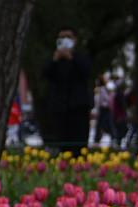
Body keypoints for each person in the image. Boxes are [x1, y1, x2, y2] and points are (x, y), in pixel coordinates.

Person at [43, 27, 92, 155]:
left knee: (79, 144)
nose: (65, 40)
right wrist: (55, 59)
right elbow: (46, 74)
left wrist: (71, 57)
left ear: (75, 39)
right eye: (61, 37)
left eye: (68, 37)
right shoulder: (54, 59)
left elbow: (86, 72)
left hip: (78, 108)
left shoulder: (81, 57)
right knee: (62, 143)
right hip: (59, 108)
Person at [94, 75, 115, 146]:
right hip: (104, 108)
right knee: (107, 123)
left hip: (103, 109)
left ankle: (98, 139)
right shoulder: (103, 89)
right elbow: (106, 99)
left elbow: (100, 100)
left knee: (102, 124)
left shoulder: (101, 89)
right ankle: (112, 137)